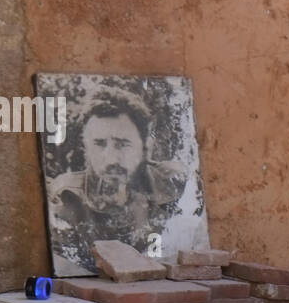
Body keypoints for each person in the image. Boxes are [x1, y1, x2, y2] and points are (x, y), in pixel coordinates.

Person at [46, 88, 187, 269]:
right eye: (99, 144)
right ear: (86, 149)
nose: (111, 159)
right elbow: (69, 267)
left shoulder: (173, 186)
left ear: (145, 148)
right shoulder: (65, 196)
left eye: (122, 144)